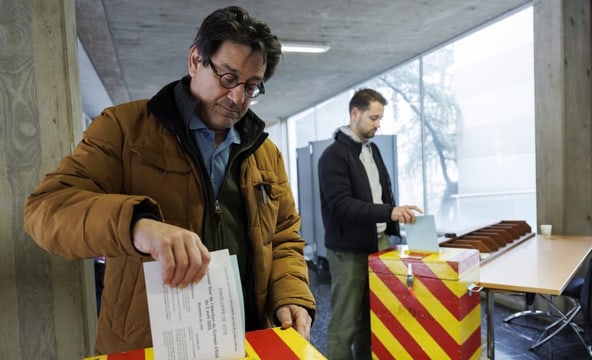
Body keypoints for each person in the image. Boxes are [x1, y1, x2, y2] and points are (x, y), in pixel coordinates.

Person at [23, 6, 315, 355]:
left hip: (247, 340)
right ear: (195, 60)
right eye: (227, 78)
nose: (238, 98)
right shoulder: (124, 129)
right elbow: (46, 210)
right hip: (150, 345)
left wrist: (292, 294)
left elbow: (283, 237)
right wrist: (137, 224)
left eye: (252, 86)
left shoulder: (265, 153)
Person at [317, 88, 422, 359]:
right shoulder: (333, 156)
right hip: (348, 250)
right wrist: (390, 212)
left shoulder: (372, 150)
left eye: (380, 118)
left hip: (379, 244)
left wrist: (394, 222)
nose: (378, 124)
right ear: (355, 113)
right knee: (346, 323)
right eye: (373, 118)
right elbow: (342, 206)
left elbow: (382, 192)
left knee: (373, 319)